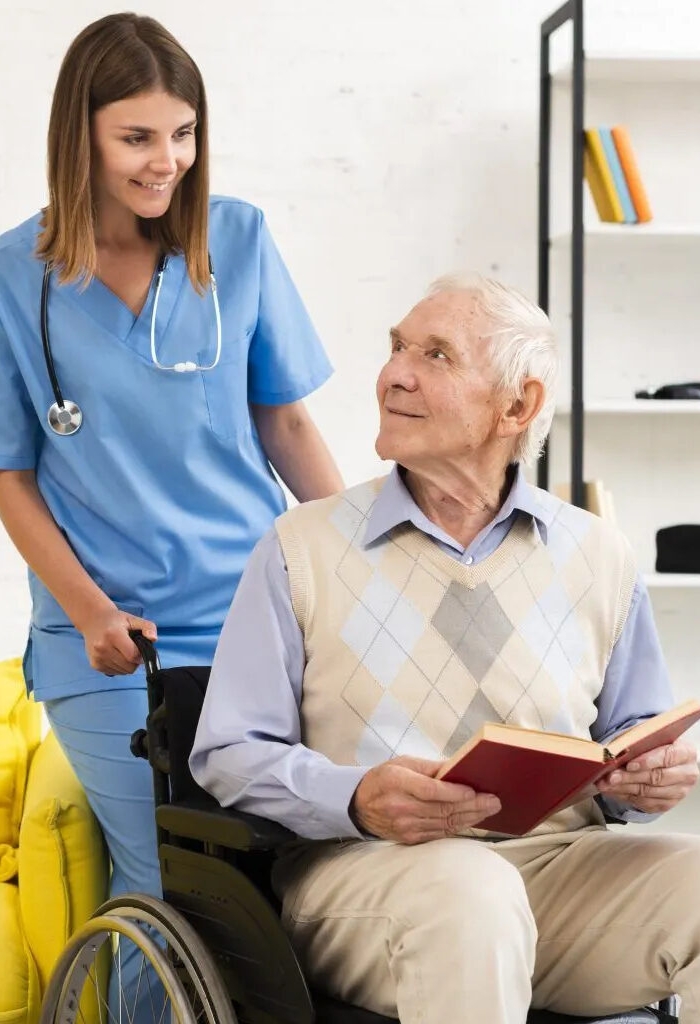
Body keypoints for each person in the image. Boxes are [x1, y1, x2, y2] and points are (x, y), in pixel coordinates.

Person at [191, 274, 700, 1023]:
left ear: (516, 406)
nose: (395, 372)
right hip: (365, 881)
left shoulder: (600, 553)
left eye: (436, 355)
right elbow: (229, 751)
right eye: (397, 347)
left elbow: (634, 734)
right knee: (470, 894)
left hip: (558, 875)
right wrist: (357, 798)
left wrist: (651, 777)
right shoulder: (302, 547)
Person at [0, 13, 342, 930]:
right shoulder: (12, 279)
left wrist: (364, 563)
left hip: (255, 620)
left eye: (184, 133)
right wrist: (88, 612)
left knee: (273, 877)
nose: (167, 160)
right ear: (81, 136)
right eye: (137, 137)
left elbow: (287, 421)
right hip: (113, 639)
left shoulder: (235, 242)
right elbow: (9, 480)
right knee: (172, 882)